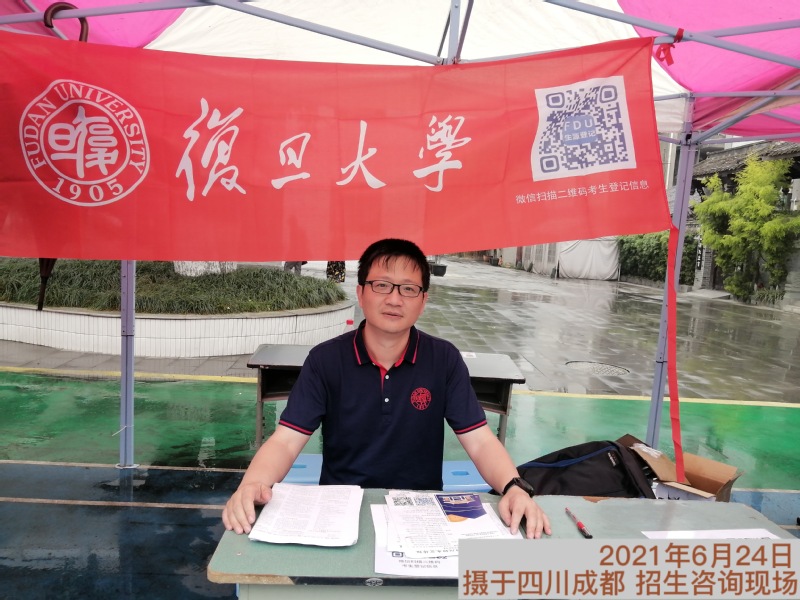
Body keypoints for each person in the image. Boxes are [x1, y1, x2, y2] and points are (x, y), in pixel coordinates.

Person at [223, 239, 551, 539]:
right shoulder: (326, 361)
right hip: (340, 513)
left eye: (408, 289)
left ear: (423, 300)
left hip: (421, 513)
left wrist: (514, 486)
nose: (394, 299)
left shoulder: (444, 360)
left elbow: (479, 441)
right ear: (361, 292)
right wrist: (252, 484)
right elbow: (285, 441)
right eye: (382, 285)